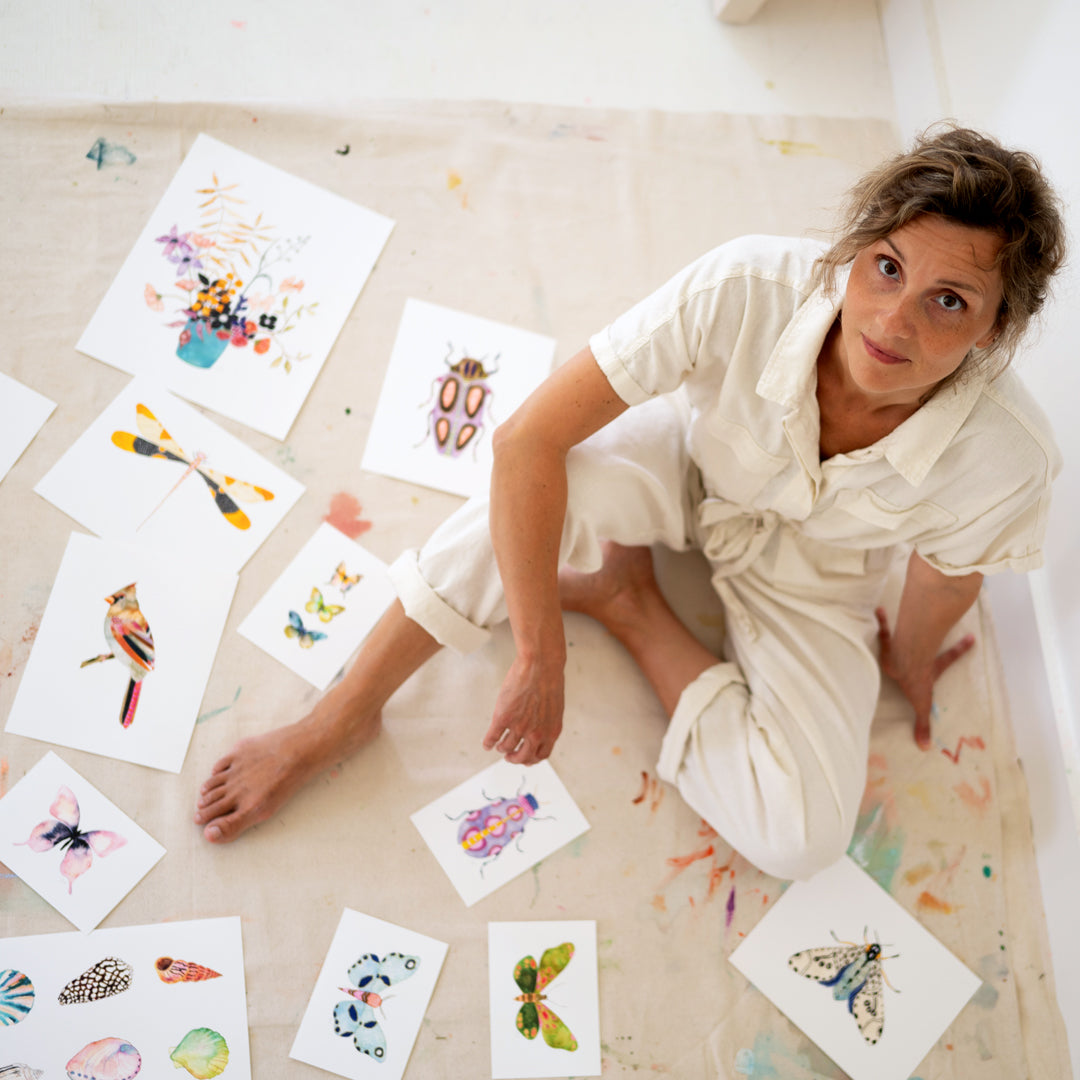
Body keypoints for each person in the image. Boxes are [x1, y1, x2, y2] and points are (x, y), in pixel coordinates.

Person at [195, 126, 1066, 880]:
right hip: (689, 468)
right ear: (852, 250)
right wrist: (540, 656)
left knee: (803, 839)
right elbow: (526, 440)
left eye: (948, 302)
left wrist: (909, 657)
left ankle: (633, 603)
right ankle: (337, 719)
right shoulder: (745, 286)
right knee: (551, 487)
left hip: (819, 576)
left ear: (993, 330)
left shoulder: (1011, 461)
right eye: (886, 268)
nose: (893, 322)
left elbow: (948, 578)